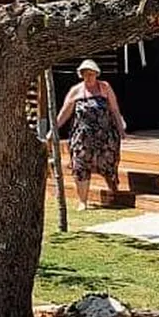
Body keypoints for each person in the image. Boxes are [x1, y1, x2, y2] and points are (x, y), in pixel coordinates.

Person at [56, 60, 125, 211]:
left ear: (96, 74)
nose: (88, 77)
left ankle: (114, 191)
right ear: (81, 75)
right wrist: (53, 130)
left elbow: (114, 109)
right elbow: (65, 112)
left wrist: (121, 128)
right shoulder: (76, 91)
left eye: (91, 74)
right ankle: (83, 201)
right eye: (85, 74)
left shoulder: (105, 87)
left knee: (109, 163)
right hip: (82, 137)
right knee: (80, 165)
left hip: (105, 135)